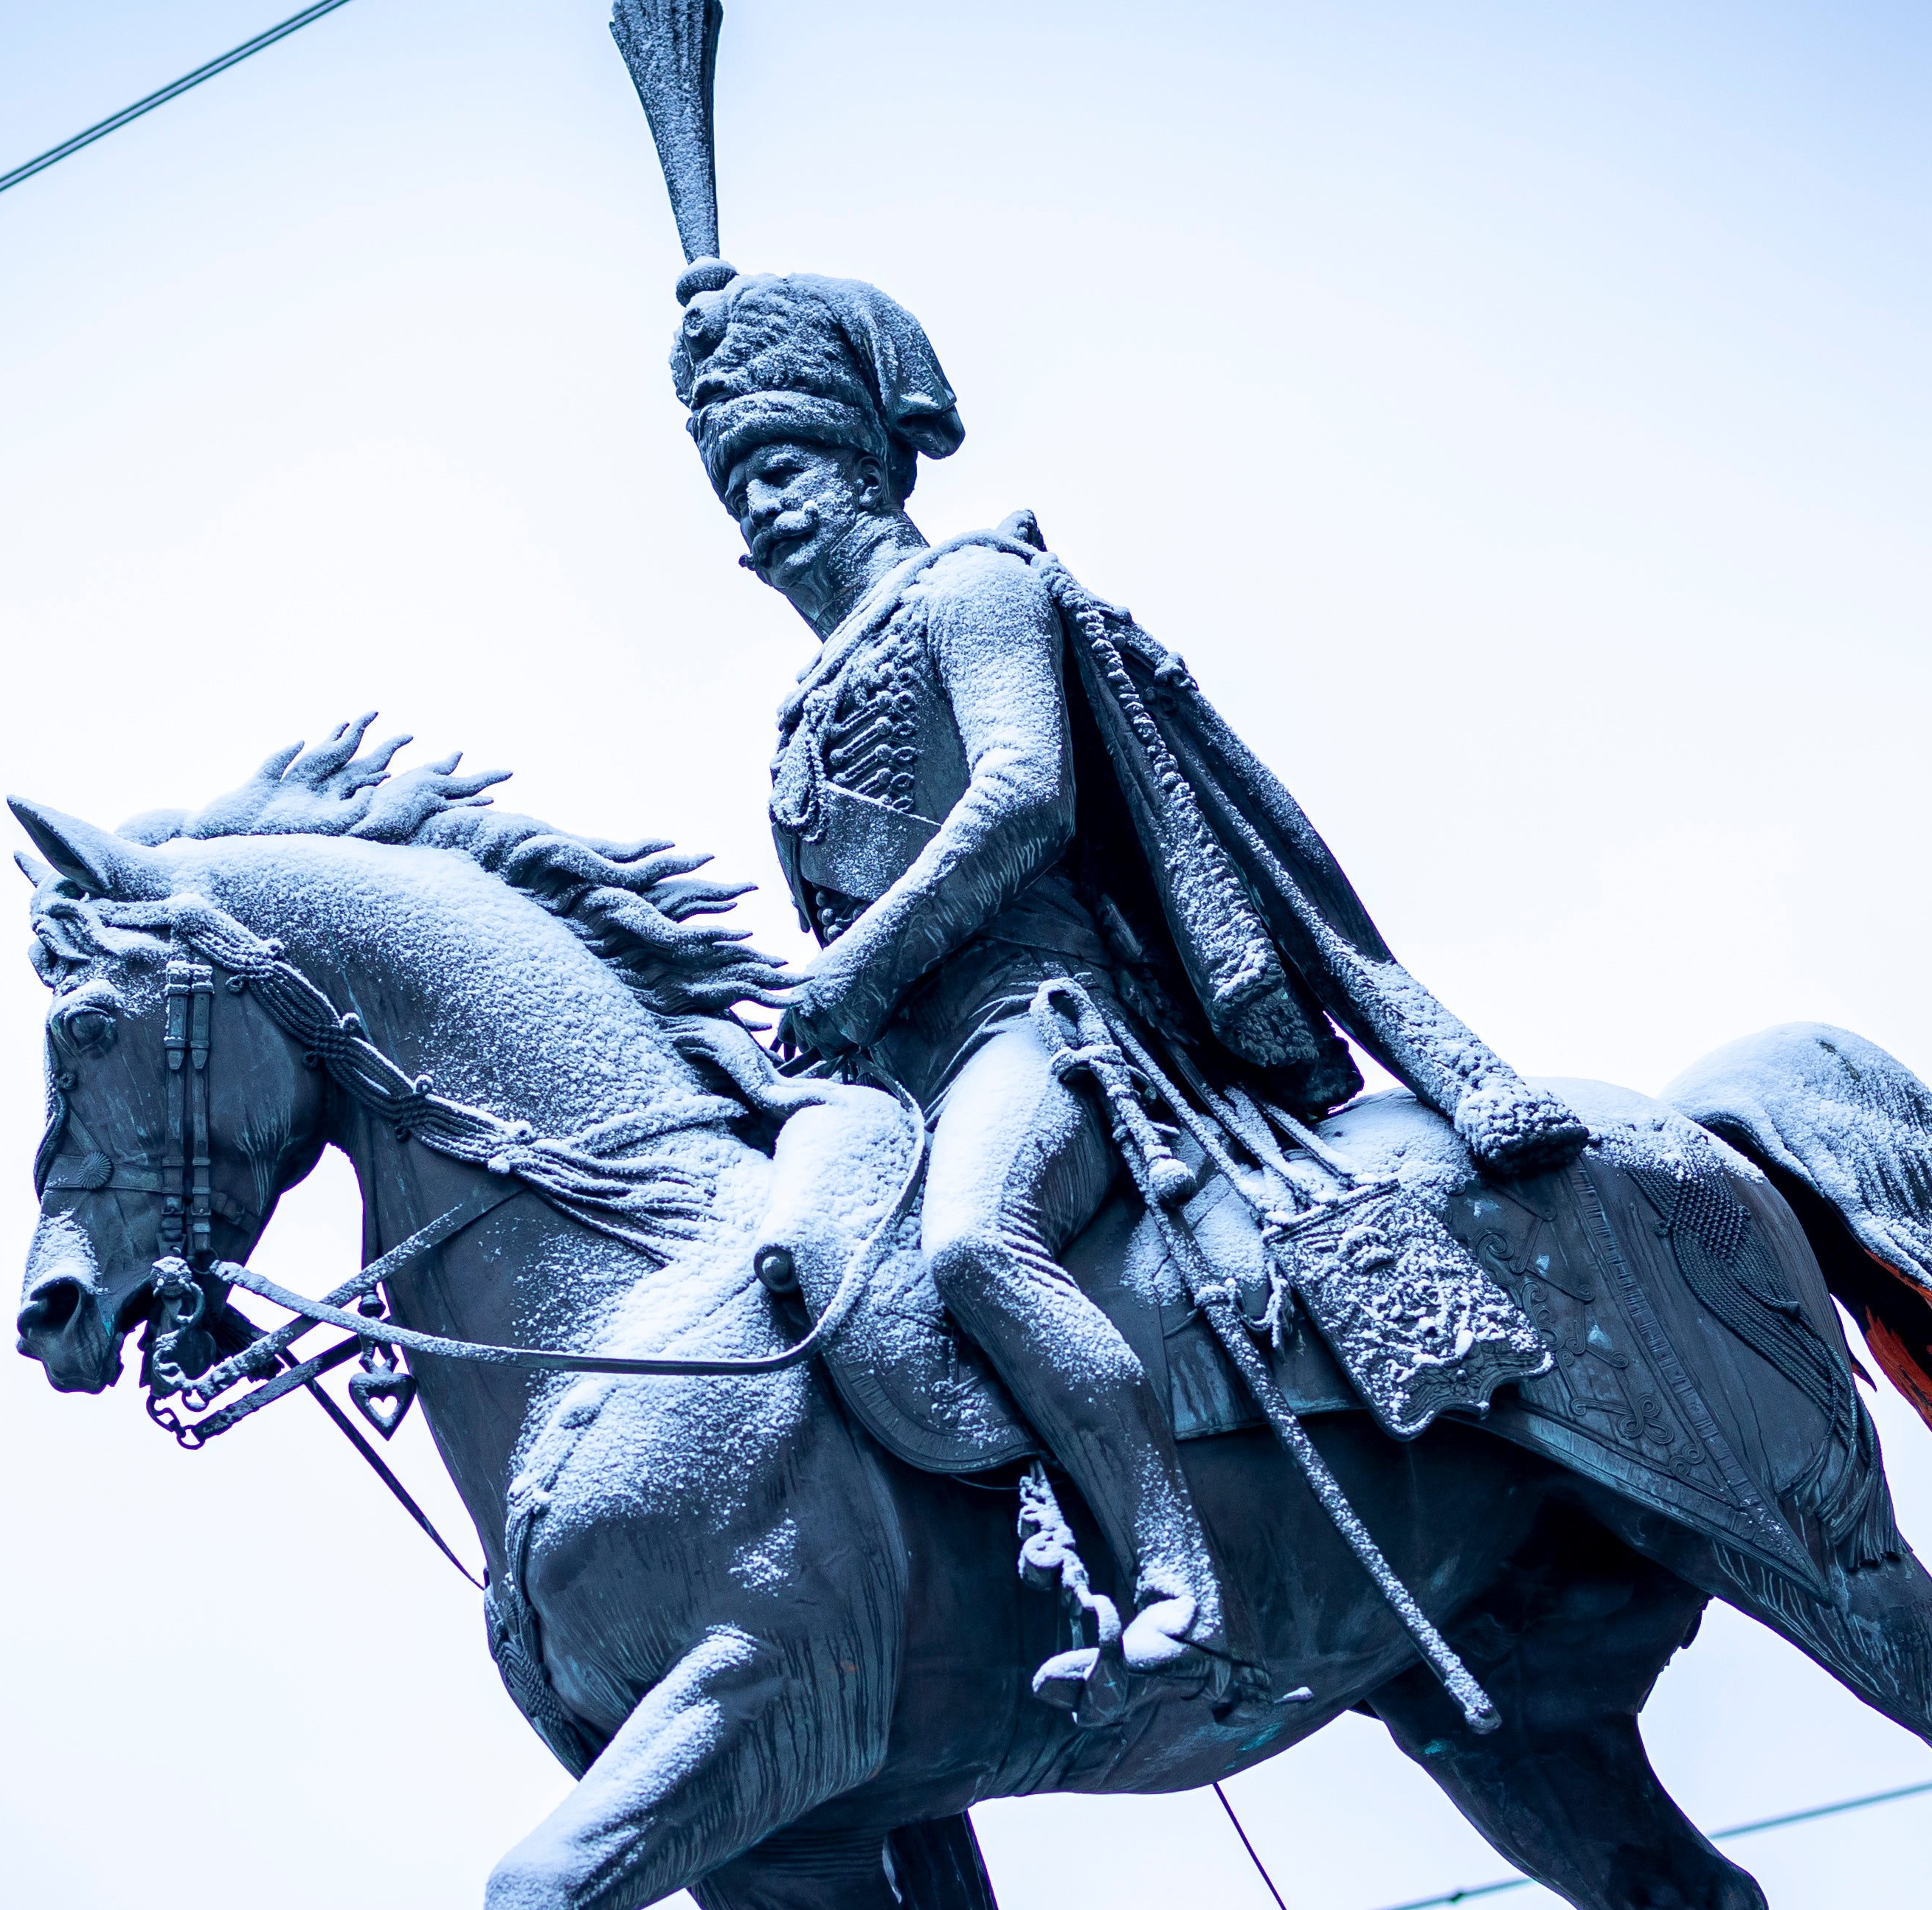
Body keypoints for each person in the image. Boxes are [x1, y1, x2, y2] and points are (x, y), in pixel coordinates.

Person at [674, 266, 1583, 1720]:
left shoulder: (966, 588)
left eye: (780, 473)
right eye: (736, 497)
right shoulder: (799, 706)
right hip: (906, 1073)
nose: (759, 519)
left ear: (860, 464)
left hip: (1043, 1028)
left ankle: (1181, 1584)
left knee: (977, 1243)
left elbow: (1023, 794)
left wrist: (861, 965)